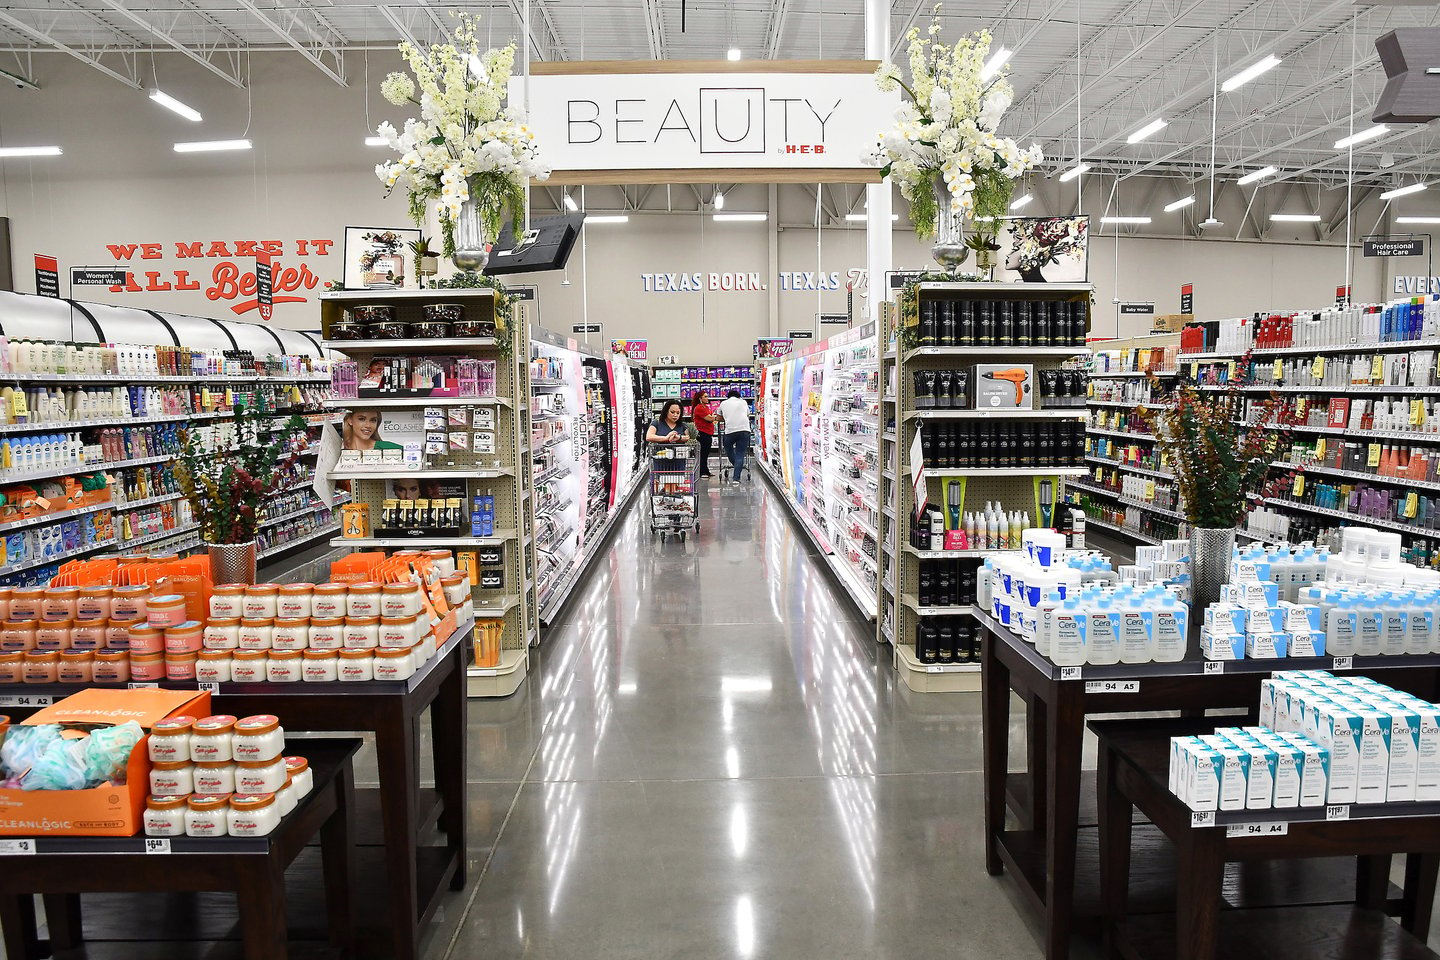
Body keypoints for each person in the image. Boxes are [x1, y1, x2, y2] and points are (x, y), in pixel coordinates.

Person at [716, 390, 752, 486]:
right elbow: (747, 414)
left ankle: (736, 464)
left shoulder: (723, 403)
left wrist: (727, 418)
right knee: (740, 454)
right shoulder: (743, 402)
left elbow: (718, 417)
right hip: (744, 430)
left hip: (730, 431)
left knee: (728, 448)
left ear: (728, 396)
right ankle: (736, 478)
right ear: (738, 396)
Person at [690, 390, 717, 478]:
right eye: (705, 396)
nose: (707, 398)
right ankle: (702, 472)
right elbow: (709, 418)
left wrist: (712, 417)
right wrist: (714, 417)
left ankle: (706, 471)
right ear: (700, 398)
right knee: (703, 453)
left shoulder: (705, 407)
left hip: (707, 433)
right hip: (702, 433)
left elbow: (711, 417)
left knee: (705, 453)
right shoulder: (699, 408)